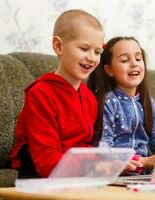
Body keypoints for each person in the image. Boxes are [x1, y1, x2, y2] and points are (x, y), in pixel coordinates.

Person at [9, 9, 105, 178]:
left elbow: (86, 146)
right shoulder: (40, 94)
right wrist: (93, 166)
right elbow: (46, 162)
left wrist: (107, 163)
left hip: (74, 173)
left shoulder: (89, 97)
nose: (92, 58)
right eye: (84, 48)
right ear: (58, 46)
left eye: (97, 52)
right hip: (38, 174)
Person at [87, 36, 155, 173]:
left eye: (138, 59)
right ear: (109, 70)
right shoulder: (108, 103)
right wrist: (143, 161)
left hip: (145, 177)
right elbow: (104, 150)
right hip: (117, 175)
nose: (134, 63)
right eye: (124, 60)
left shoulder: (149, 103)